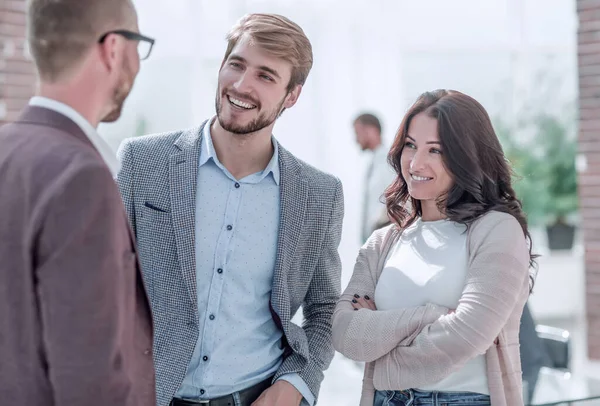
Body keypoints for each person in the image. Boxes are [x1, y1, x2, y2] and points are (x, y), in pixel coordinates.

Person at [116, 13, 343, 406]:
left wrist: (297, 384)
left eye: (265, 76)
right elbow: (100, 284)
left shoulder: (320, 194)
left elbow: (323, 309)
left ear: (293, 95)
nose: (241, 85)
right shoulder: (141, 162)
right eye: (236, 65)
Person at [332, 89, 536, 406]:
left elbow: (469, 334)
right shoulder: (383, 241)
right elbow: (345, 334)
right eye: (410, 145)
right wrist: (429, 316)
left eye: (436, 151)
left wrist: (382, 343)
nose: (415, 162)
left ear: (467, 157)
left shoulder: (497, 230)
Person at [0, 0, 156, 405]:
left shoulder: (7, 150)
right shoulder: (81, 178)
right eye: (140, 46)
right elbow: (91, 382)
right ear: (114, 49)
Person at [353, 113, 396, 242]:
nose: (356, 139)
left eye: (357, 133)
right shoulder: (374, 163)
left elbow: (394, 201)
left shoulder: (389, 162)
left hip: (385, 237)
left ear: (371, 130)